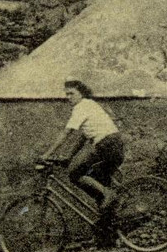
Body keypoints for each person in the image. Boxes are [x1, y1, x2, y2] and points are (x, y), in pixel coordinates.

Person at [40, 78, 125, 211]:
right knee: (97, 182)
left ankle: (108, 194)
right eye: (66, 94)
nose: (68, 97)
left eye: (71, 93)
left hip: (106, 144)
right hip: (115, 144)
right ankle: (108, 217)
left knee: (75, 175)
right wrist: (69, 157)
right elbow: (83, 137)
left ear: (81, 93)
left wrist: (47, 154)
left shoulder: (81, 107)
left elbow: (66, 133)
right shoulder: (90, 104)